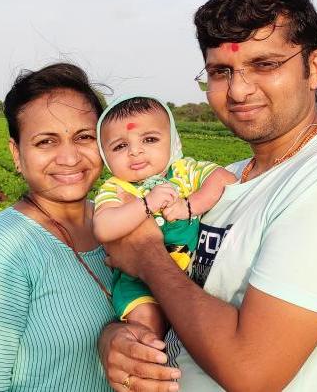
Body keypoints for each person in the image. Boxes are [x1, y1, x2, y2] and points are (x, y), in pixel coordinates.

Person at [98, 0, 317, 391]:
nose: (238, 90)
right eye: (220, 71)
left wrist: (146, 256)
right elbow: (186, 297)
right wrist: (115, 339)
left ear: (314, 67)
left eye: (265, 64)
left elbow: (252, 371)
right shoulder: (229, 177)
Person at [0, 63, 115, 391]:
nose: (69, 158)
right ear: (17, 153)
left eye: (83, 137)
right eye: (46, 142)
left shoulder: (121, 223)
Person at [93, 95, 235, 338]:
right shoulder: (116, 188)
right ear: (105, 157)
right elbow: (104, 227)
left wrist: (189, 206)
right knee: (146, 323)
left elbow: (225, 179)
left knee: (202, 324)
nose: (135, 151)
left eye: (149, 139)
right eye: (120, 146)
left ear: (173, 142)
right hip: (138, 283)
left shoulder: (185, 171)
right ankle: (150, 357)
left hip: (191, 278)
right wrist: (146, 204)